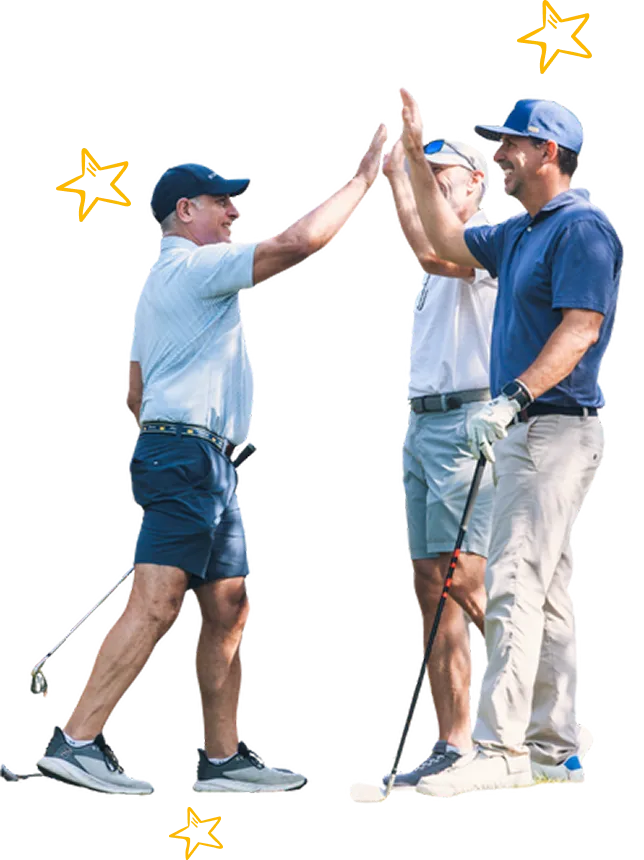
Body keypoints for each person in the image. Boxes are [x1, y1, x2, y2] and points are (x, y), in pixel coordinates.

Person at [34, 127, 390, 797]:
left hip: (203, 462)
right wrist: (365, 176)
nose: (235, 212)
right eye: (221, 201)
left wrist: (158, 450)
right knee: (160, 597)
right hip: (190, 457)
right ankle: (75, 742)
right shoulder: (193, 267)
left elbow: (132, 386)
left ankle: (222, 761)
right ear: (184, 213)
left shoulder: (164, 282)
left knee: (228, 604)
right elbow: (300, 243)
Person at [397, 87, 622, 797]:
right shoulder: (519, 229)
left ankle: (497, 747)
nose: (497, 156)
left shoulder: (582, 227)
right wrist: (409, 147)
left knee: (514, 585)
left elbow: (581, 328)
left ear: (547, 152)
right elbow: (440, 238)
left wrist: (516, 396)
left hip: (554, 426)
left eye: (508, 144)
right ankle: (557, 747)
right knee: (549, 594)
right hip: (524, 429)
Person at [379, 132, 497, 789]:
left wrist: (401, 164)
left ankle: (548, 710)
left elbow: (431, 244)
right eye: (429, 177)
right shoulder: (428, 254)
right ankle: (456, 741)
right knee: (430, 584)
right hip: (423, 427)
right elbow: (418, 239)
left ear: (478, 183)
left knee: (467, 580)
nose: (434, 187)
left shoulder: (488, 238)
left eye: (444, 177)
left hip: (467, 421)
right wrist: (402, 161)